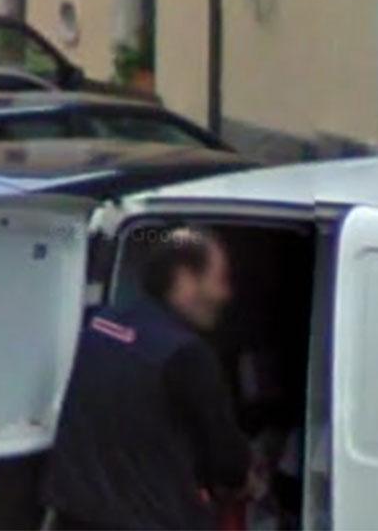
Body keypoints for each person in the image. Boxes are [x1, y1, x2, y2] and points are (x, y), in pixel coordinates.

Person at [42, 227, 259, 530]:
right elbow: (228, 463)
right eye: (220, 281)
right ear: (184, 279)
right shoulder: (186, 353)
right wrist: (247, 480)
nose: (226, 295)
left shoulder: (101, 324)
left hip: (74, 517)